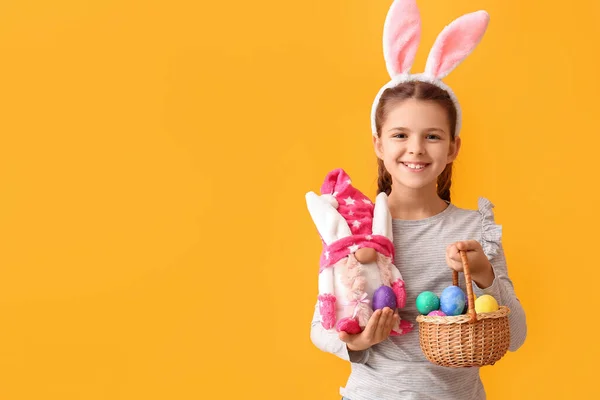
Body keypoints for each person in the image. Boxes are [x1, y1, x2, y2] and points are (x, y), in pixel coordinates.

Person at [309, 1, 527, 399]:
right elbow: (320, 326)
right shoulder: (355, 228)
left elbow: (516, 336)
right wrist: (356, 344)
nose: (416, 149)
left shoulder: (473, 230)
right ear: (378, 143)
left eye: (432, 136)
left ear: (453, 147)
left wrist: (484, 275)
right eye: (399, 135)